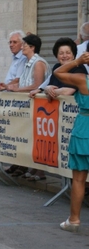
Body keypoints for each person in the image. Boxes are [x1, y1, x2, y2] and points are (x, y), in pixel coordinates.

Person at [28, 38, 87, 181]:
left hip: (78, 125)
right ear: (56, 55)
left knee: (80, 175)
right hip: (62, 126)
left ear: (74, 55)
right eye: (61, 53)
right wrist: (47, 89)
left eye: (68, 52)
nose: (65, 56)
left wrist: (54, 91)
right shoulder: (56, 69)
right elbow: (47, 86)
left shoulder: (80, 70)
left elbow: (68, 91)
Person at [2, 33, 52, 177]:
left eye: (25, 45)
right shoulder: (28, 63)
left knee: (38, 137)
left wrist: (17, 89)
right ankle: (30, 166)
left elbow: (37, 85)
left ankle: (40, 170)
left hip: (38, 107)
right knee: (28, 136)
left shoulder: (38, 63)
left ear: (32, 47)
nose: (22, 47)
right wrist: (7, 86)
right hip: (27, 107)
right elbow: (24, 82)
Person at [54, 50, 89, 233]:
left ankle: (74, 219)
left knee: (79, 178)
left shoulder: (83, 81)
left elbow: (58, 73)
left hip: (84, 129)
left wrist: (77, 61)